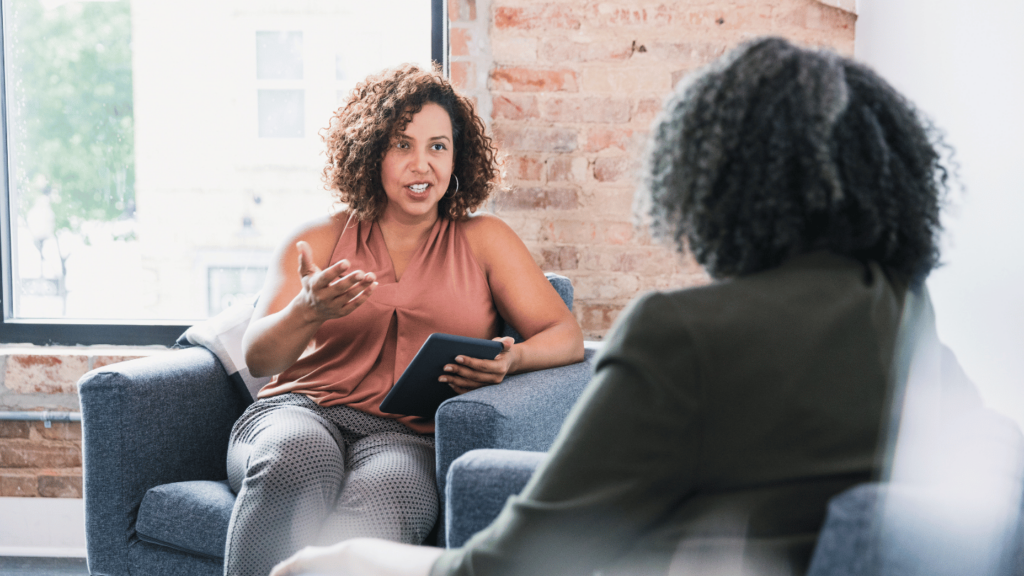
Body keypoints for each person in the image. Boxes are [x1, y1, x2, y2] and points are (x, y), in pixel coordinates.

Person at [269, 36, 951, 576]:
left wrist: (349, 561)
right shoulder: (898, 311)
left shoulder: (678, 335)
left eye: (437, 145)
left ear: (709, 180)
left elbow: (510, 565)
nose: (423, 163)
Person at [225, 64, 584, 576]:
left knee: (390, 491)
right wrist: (308, 311)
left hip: (407, 436)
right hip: (300, 411)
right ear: (372, 154)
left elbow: (566, 336)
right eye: (402, 145)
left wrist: (514, 359)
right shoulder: (320, 237)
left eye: (438, 146)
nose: (422, 165)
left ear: (458, 158)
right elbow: (261, 357)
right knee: (300, 456)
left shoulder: (485, 240)